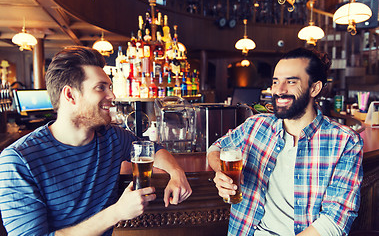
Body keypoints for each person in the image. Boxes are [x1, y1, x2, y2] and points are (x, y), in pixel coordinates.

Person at [0, 46, 192, 236]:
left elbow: (153, 149)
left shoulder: (111, 137)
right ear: (70, 95)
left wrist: (176, 172)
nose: (112, 96)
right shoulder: (18, 161)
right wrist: (117, 212)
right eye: (101, 87)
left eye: (109, 87)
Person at [208, 47, 363, 236]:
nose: (278, 90)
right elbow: (216, 148)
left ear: (314, 88)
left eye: (290, 82)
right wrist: (221, 171)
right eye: (275, 82)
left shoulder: (345, 141)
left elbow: (335, 220)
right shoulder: (255, 126)